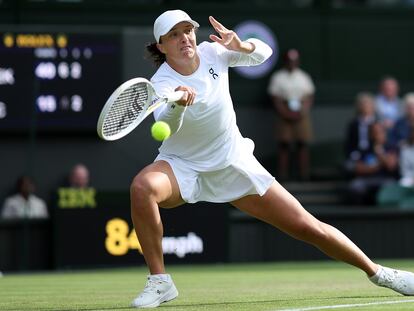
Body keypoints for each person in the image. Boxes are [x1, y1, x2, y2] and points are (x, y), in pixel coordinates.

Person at [129, 9, 414, 309]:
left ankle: (380, 273)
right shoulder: (160, 83)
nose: (184, 38)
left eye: (187, 30)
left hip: (232, 161)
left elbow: (264, 53)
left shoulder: (214, 52)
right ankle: (160, 281)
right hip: (183, 166)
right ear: (161, 46)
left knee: (308, 227)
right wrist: (179, 103)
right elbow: (166, 127)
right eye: (174, 35)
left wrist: (241, 46)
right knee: (141, 188)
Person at [268, 48, 315, 181]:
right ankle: (283, 175)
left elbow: (309, 96)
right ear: (285, 61)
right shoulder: (278, 77)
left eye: (294, 61)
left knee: (303, 144)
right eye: (289, 61)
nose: (292, 63)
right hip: (284, 113)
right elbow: (275, 97)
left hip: (301, 113)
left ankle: (304, 174)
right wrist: (284, 112)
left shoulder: (304, 77)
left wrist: (303, 110)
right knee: (284, 144)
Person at [347, 122, 399, 205]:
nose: (376, 135)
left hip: (386, 179)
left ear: (384, 133)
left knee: (391, 186)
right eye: (374, 133)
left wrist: (379, 152)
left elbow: (390, 166)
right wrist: (378, 166)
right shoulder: (364, 149)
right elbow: (358, 169)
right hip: (367, 180)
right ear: (370, 135)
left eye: (379, 132)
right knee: (355, 186)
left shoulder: (391, 148)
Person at [344, 92, 378, 175]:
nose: (365, 107)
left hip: (374, 156)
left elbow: (380, 143)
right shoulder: (353, 124)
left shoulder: (378, 123)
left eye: (368, 104)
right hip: (357, 156)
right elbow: (348, 144)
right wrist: (354, 156)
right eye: (363, 104)